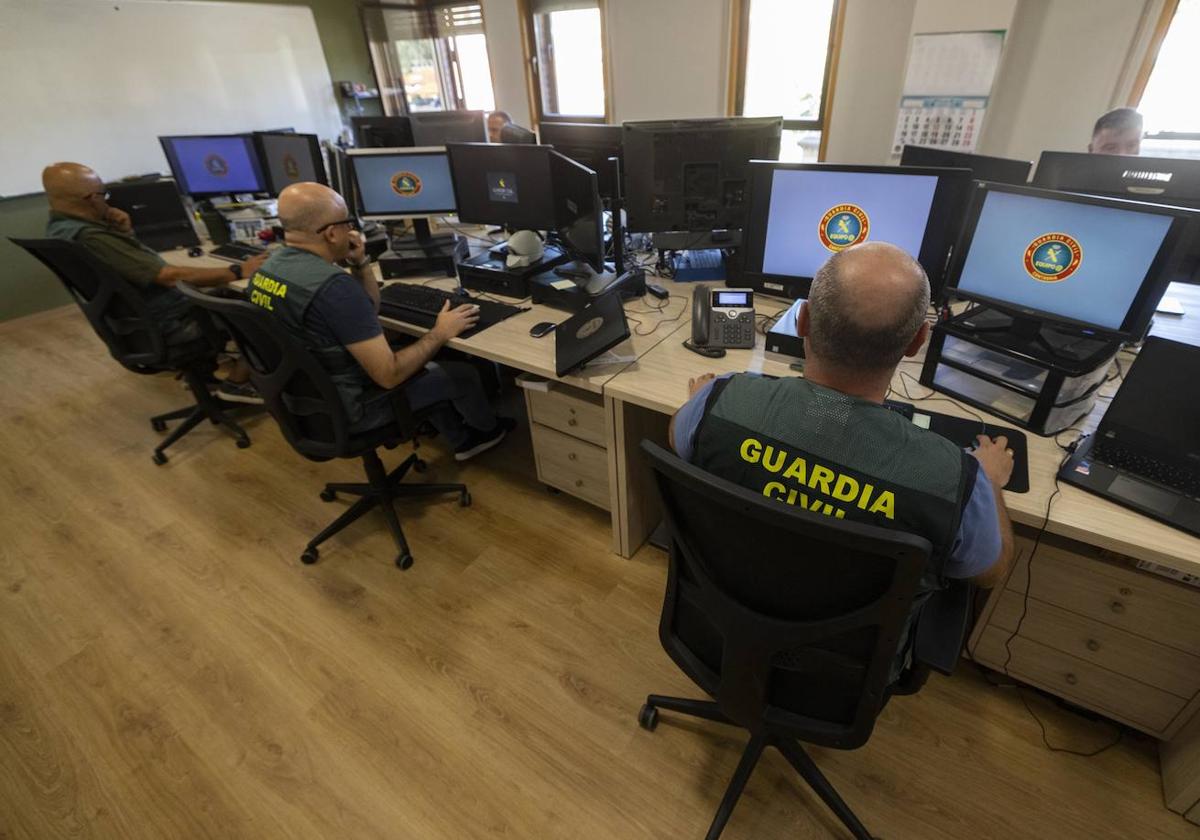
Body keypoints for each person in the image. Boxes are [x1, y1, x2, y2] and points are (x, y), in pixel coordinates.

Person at [670, 242, 1015, 679]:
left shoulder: (716, 402)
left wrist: (705, 396)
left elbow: (680, 442)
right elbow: (990, 570)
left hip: (720, 629)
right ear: (917, 342)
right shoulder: (956, 480)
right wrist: (991, 485)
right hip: (843, 675)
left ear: (803, 320)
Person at [249, 181, 512, 460]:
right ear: (331, 233)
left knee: (412, 347)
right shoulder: (334, 289)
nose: (352, 229)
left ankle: (457, 436)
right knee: (462, 374)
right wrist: (439, 332)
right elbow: (390, 376)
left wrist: (360, 263)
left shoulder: (267, 270)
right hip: (356, 408)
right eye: (346, 223)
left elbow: (366, 311)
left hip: (302, 402)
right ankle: (483, 434)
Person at [42, 162, 265, 403]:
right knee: (259, 307)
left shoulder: (60, 231)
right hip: (172, 323)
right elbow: (168, 276)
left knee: (224, 291)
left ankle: (204, 376)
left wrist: (123, 234)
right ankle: (237, 383)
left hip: (138, 328)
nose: (106, 201)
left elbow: (127, 268)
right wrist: (238, 269)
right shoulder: (92, 237)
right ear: (88, 199)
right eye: (102, 194)